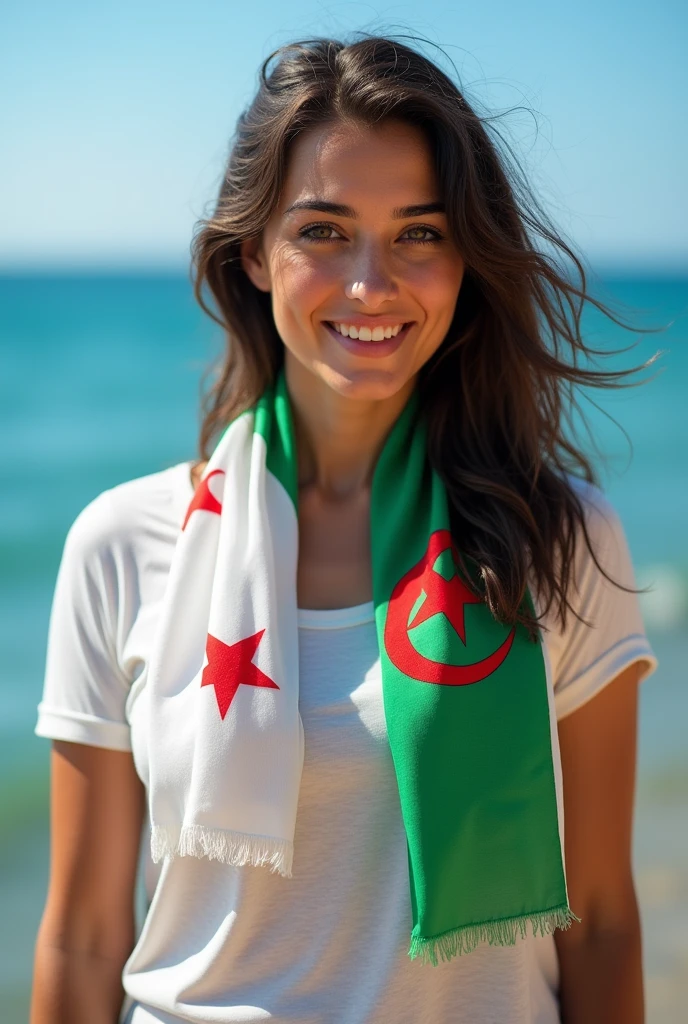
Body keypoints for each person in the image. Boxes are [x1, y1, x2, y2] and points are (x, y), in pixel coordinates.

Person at [30, 33, 658, 1024]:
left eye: (419, 233)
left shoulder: (560, 537)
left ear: (465, 260)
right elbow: (84, 933)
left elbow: (605, 920)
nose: (373, 284)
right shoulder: (122, 542)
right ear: (253, 255)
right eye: (323, 231)